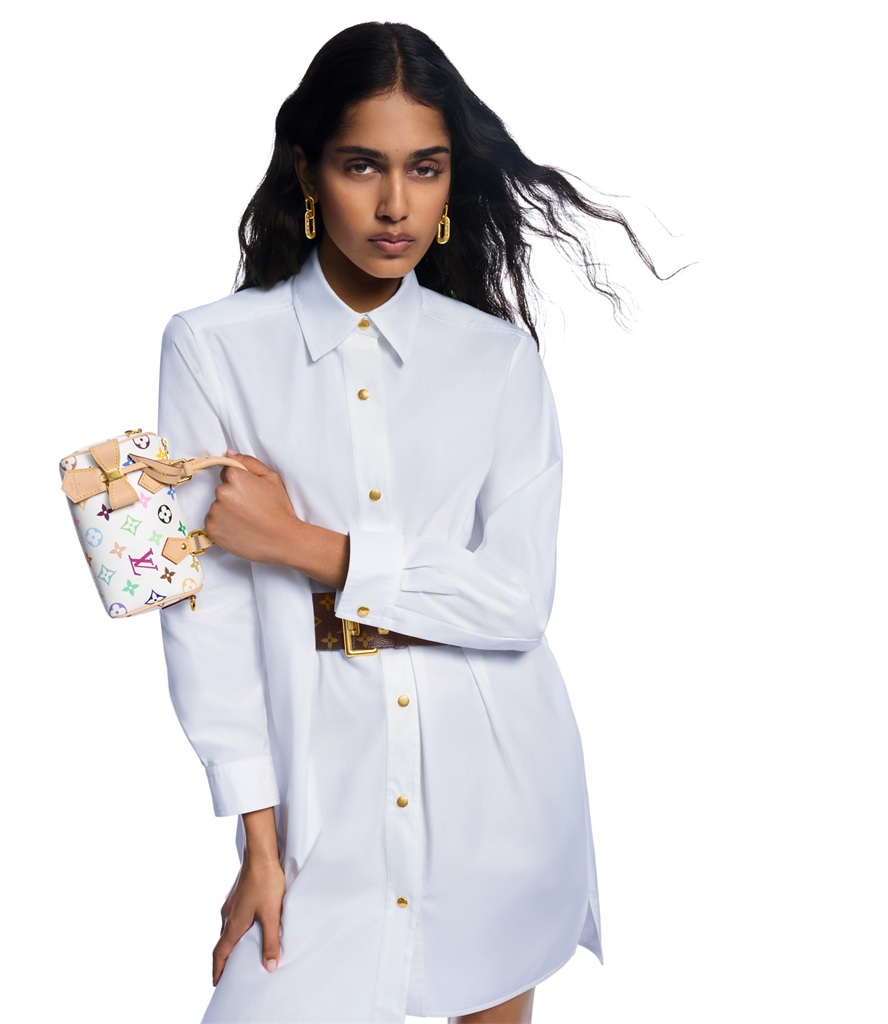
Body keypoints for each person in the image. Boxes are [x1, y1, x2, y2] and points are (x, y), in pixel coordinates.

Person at [158, 22, 658, 1024]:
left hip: (498, 783)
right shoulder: (213, 350)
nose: (396, 205)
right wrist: (258, 839)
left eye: (424, 169)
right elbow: (202, 617)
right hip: (323, 795)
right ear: (308, 169)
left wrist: (303, 545)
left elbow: (515, 604)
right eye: (362, 166)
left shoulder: (498, 361)